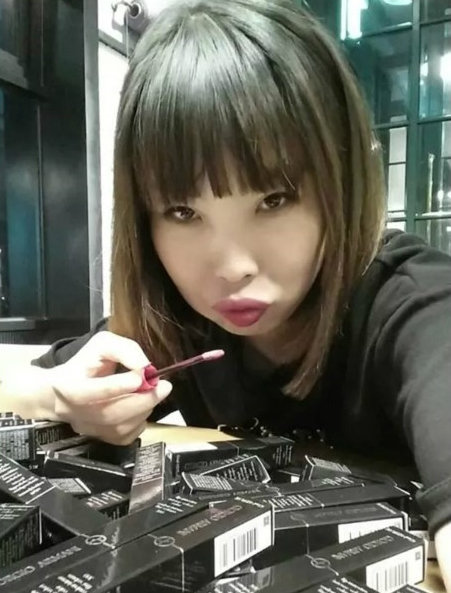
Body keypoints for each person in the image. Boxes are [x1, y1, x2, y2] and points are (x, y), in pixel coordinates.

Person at [1, 0, 451, 584]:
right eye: (183, 212)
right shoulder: (177, 323)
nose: (233, 268)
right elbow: (31, 380)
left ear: (341, 185)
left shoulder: (414, 307)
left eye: (274, 200)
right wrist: (64, 398)